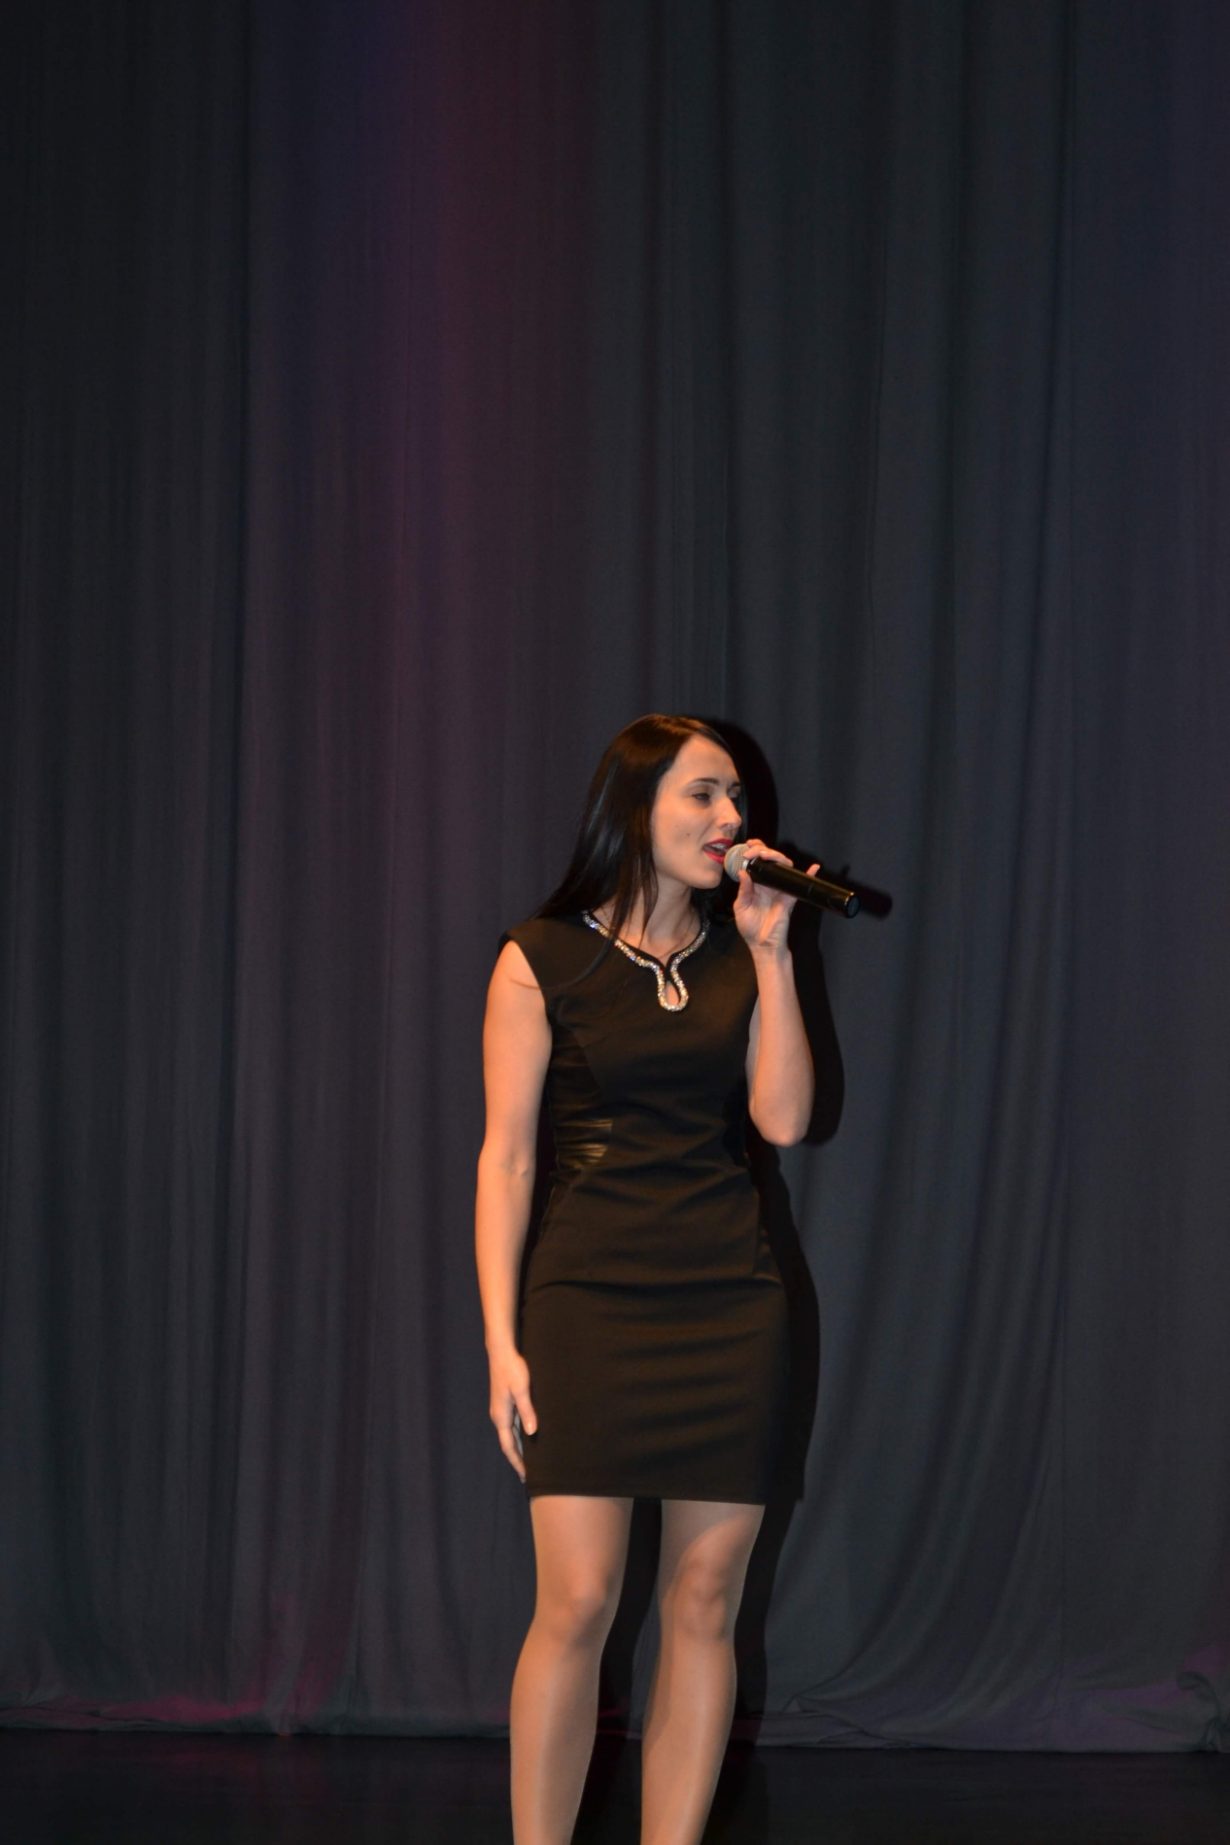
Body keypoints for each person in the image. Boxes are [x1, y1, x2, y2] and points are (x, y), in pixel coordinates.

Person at [475, 713, 815, 1845]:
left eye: (736, 800)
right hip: (587, 1302)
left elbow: (784, 1119)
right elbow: (507, 1159)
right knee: (578, 1600)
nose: (730, 819)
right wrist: (502, 1344)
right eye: (703, 795)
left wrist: (773, 954)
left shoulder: (741, 953)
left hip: (730, 1301)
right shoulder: (541, 957)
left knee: (705, 1602)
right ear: (636, 809)